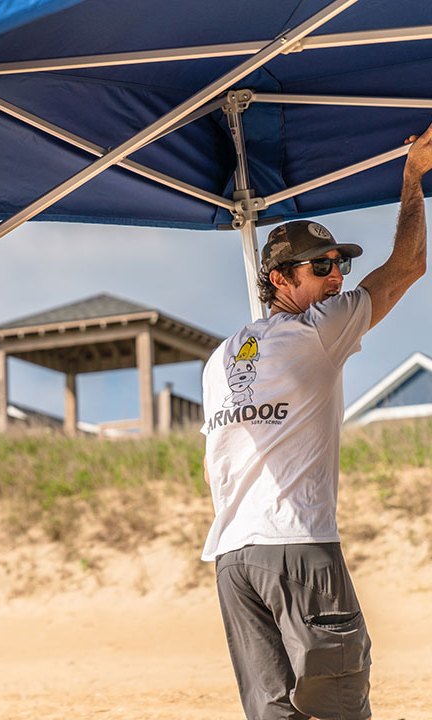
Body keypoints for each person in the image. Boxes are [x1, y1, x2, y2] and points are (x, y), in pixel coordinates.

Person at [200, 123, 432, 720]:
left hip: (234, 558)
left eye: (339, 265)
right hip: (295, 544)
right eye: (321, 267)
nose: (337, 278)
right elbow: (407, 268)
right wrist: (412, 178)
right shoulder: (316, 330)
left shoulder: (221, 357)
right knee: (338, 703)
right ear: (280, 280)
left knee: (272, 711)